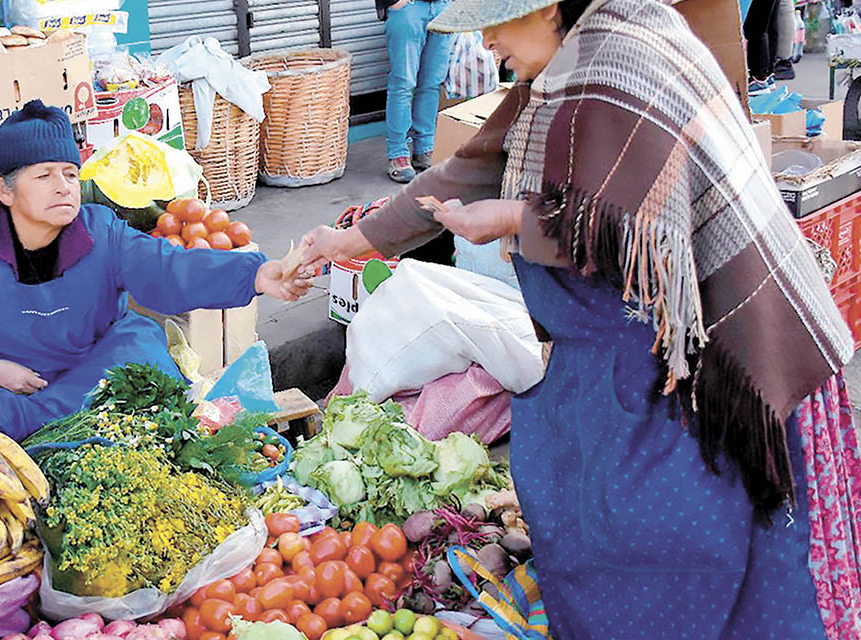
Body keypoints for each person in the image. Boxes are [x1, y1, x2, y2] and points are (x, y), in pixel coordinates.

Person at [299, 0, 861, 636]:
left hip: (721, 362)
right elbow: (470, 172)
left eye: (492, 18)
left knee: (701, 549)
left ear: (547, 7)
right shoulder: (557, 76)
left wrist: (515, 219)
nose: (483, 40)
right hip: (627, 354)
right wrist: (351, 242)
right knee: (578, 503)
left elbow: (637, 230)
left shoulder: (623, 60)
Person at [0, 100, 310, 440]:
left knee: (144, 349)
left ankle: (38, 428)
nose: (62, 187)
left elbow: (169, 269)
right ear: (4, 191)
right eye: (43, 176)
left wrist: (255, 275)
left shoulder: (100, 231)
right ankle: (49, 427)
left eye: (69, 173)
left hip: (73, 376)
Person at [379, 0, 454, 183]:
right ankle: (398, 153)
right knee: (403, 83)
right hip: (408, 7)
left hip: (442, 7)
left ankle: (425, 148)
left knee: (432, 83)